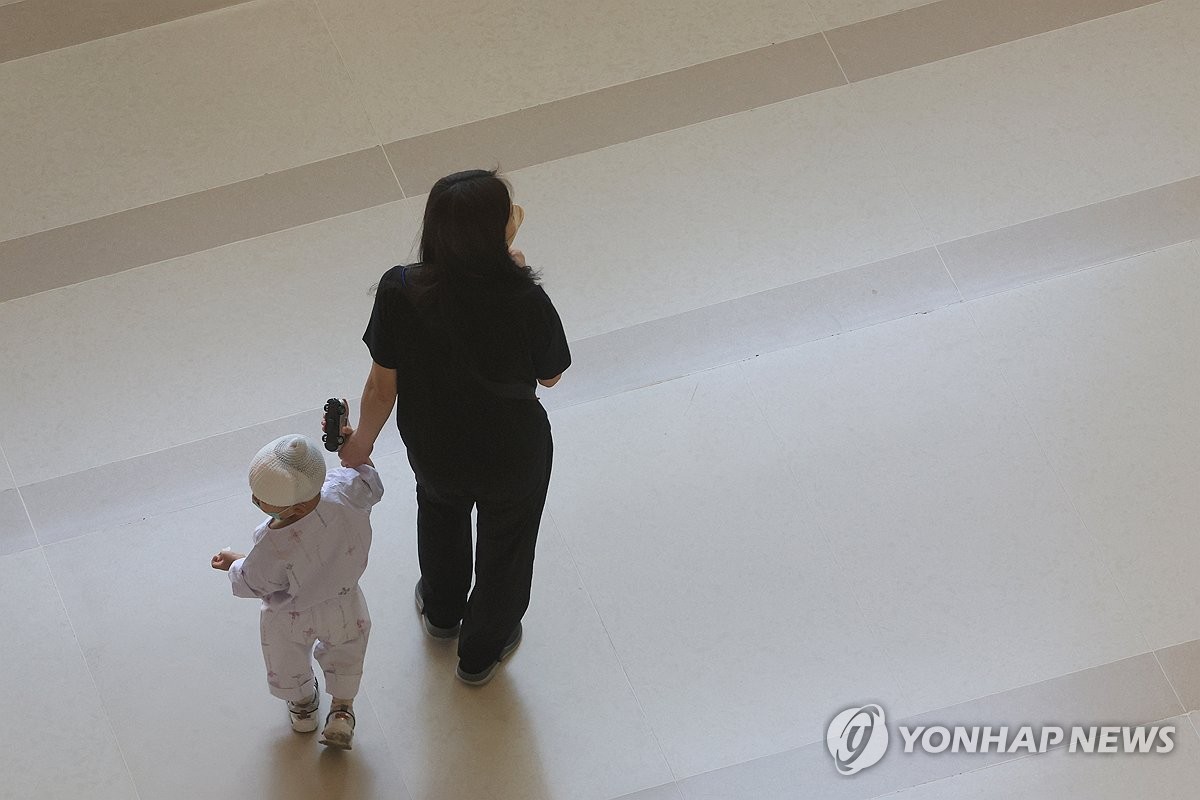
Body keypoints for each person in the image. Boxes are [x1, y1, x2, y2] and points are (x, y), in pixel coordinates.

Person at [338, 169, 570, 686]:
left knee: (440, 515)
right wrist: (515, 273)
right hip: (511, 451)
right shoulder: (524, 297)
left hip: (434, 443)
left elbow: (381, 385)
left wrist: (360, 443)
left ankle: (441, 613)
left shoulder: (400, 289)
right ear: (496, 232)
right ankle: (480, 652)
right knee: (506, 547)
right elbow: (551, 376)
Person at [211, 432, 383, 749]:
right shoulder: (344, 491)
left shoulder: (273, 541)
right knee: (347, 653)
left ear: (294, 508)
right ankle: (342, 713)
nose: (254, 501)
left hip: (291, 613)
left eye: (261, 499)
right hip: (345, 603)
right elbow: (370, 481)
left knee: (285, 655)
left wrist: (235, 565)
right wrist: (350, 444)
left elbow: (255, 581)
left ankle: (303, 707)